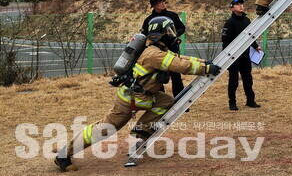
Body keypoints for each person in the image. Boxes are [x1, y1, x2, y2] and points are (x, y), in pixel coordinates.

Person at [54, 16, 220, 172]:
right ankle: (63, 155)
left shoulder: (156, 49)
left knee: (167, 101)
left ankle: (142, 129)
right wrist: (205, 69)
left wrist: (203, 62)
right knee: (104, 129)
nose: (172, 35)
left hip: (144, 95)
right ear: (159, 34)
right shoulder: (154, 54)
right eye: (168, 32)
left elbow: (179, 58)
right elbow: (180, 65)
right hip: (131, 100)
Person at [141, 0, 186, 97]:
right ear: (154, 5)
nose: (163, 4)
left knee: (176, 76)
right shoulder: (148, 20)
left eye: (164, 1)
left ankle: (180, 100)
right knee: (158, 78)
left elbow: (181, 28)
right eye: (160, 2)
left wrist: (174, 36)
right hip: (157, 52)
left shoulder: (172, 15)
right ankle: (161, 101)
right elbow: (144, 35)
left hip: (172, 49)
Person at [222, 0, 261, 110]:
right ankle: (232, 103)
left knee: (248, 79)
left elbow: (250, 36)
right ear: (232, 8)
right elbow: (225, 41)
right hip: (233, 56)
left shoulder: (247, 20)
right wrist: (227, 57)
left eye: (241, 4)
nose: (241, 6)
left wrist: (255, 46)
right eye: (238, 5)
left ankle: (250, 100)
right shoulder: (229, 23)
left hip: (245, 56)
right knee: (233, 80)